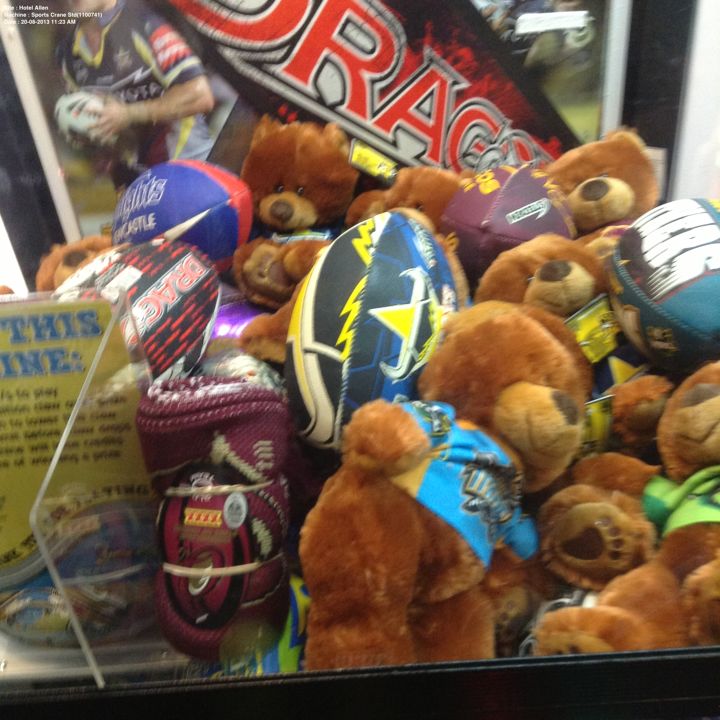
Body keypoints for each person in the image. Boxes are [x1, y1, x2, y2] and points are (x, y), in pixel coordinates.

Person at [57, 0, 216, 187]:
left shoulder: (145, 22)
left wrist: (129, 114)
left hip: (191, 170)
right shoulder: (67, 55)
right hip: (139, 184)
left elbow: (200, 95)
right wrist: (87, 133)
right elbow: (109, 136)